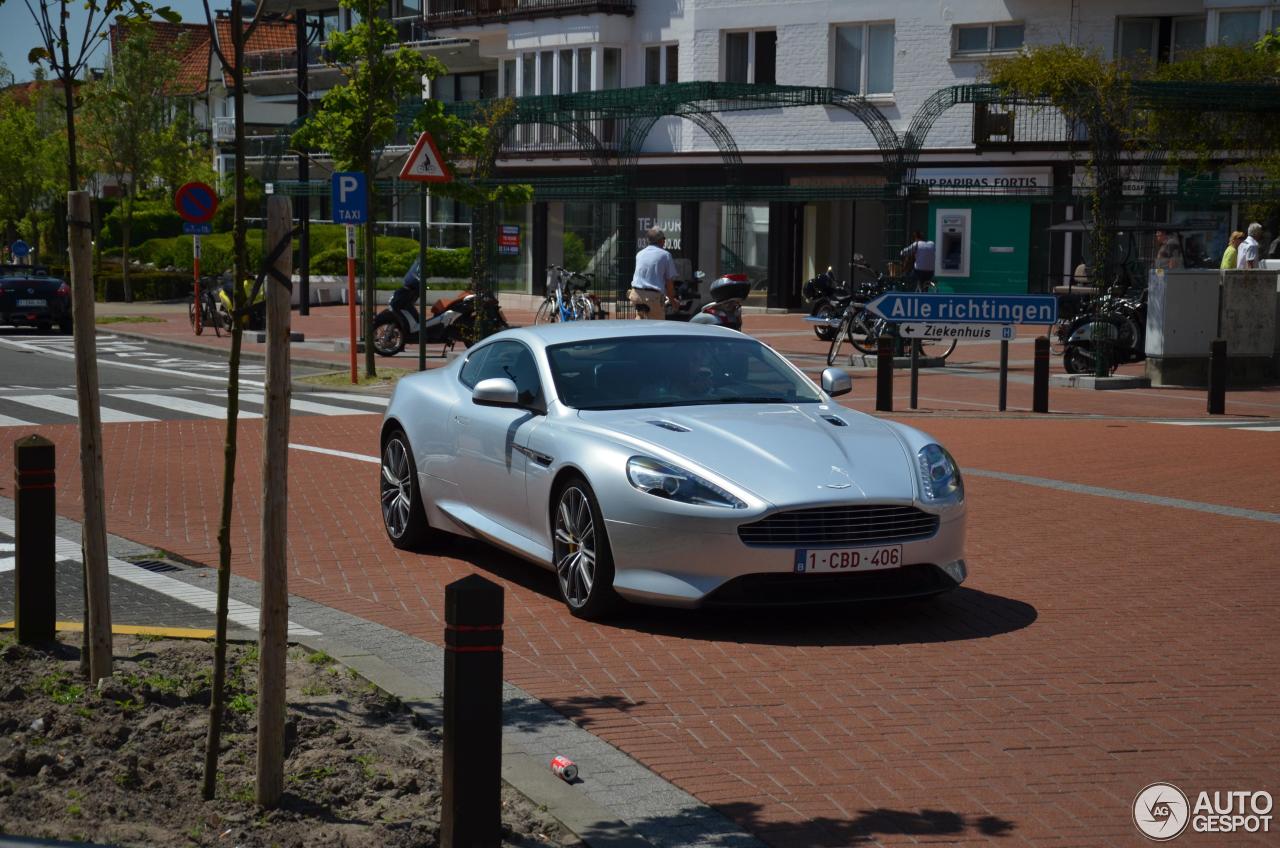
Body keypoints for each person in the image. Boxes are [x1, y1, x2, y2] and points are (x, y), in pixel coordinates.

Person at [630, 226, 677, 319]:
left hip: (636, 295)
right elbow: (669, 282)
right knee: (657, 327)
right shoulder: (665, 255)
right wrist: (673, 301)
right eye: (664, 238)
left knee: (640, 321)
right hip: (652, 297)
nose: (664, 241)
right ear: (660, 240)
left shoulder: (640, 253)